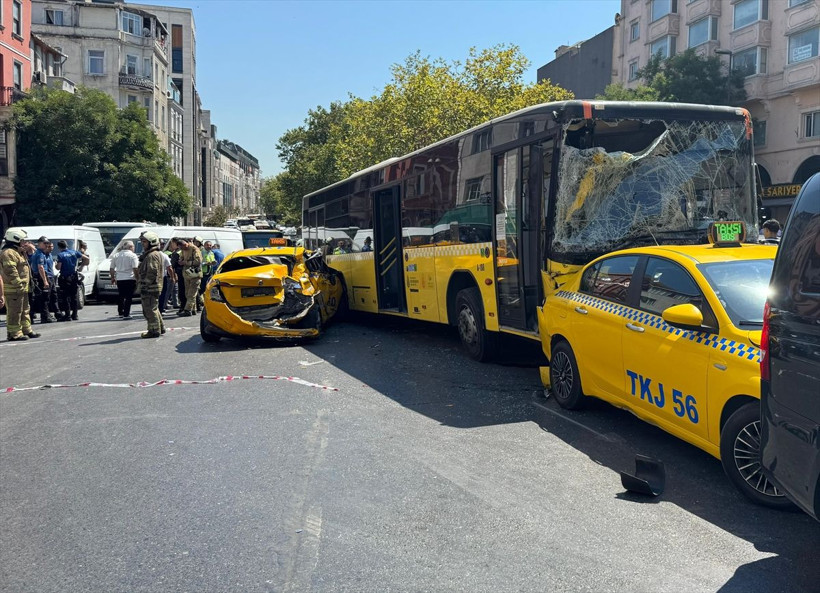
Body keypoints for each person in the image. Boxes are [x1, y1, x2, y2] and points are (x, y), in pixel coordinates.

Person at [0, 228, 40, 341]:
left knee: (25, 310)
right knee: (14, 312)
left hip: (22, 288)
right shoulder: (8, 253)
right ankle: (14, 334)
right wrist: (18, 284)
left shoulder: (18, 252)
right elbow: (10, 271)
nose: (25, 243)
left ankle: (26, 330)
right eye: (23, 241)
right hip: (14, 289)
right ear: (15, 239)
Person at [137, 231, 165, 338]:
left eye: (144, 242)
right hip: (153, 286)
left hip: (150, 287)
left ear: (151, 242)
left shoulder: (152, 255)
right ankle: (160, 327)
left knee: (149, 309)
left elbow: (152, 272)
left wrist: (145, 284)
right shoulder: (152, 254)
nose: (143, 244)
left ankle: (153, 330)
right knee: (154, 308)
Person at [55, 240, 89, 321]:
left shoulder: (60, 255)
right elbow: (86, 258)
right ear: (67, 245)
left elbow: (58, 267)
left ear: (59, 247)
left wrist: (56, 264)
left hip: (65, 277)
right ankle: (75, 315)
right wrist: (82, 266)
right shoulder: (74, 252)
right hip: (74, 276)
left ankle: (68, 315)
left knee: (65, 297)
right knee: (74, 296)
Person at [109, 240, 139, 319]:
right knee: (129, 297)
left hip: (120, 279)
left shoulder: (116, 255)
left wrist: (112, 277)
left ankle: (120, 312)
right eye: (133, 247)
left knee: (121, 295)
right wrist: (137, 278)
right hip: (130, 278)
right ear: (130, 247)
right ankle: (126, 314)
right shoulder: (133, 256)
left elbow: (112, 268)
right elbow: (135, 268)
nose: (133, 248)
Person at [31, 237, 57, 323]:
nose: (47, 245)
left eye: (47, 243)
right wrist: (45, 281)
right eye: (45, 243)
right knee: (44, 298)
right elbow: (40, 268)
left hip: (41, 276)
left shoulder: (40, 253)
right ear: (40, 243)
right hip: (41, 277)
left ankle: (46, 315)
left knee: (45, 297)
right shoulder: (40, 254)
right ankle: (45, 317)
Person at [178, 237, 202, 316]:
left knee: (192, 293)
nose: (182, 249)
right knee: (188, 293)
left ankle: (187, 310)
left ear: (185, 244)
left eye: (183, 247)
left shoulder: (194, 249)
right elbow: (181, 257)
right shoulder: (183, 250)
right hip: (187, 273)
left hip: (194, 273)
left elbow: (198, 261)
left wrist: (186, 262)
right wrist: (180, 260)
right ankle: (193, 309)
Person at [199, 239, 216, 311]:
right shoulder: (201, 253)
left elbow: (213, 261)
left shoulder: (211, 253)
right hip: (203, 272)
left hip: (210, 273)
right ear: (204, 245)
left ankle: (204, 302)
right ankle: (199, 302)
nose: (209, 246)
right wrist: (207, 263)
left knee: (208, 288)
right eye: (207, 245)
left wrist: (214, 262)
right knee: (202, 288)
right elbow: (199, 263)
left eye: (210, 245)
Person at [158, 245, 176, 315]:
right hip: (162, 277)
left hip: (152, 278)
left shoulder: (149, 255)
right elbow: (169, 267)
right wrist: (172, 277)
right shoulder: (164, 255)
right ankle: (160, 309)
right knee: (162, 294)